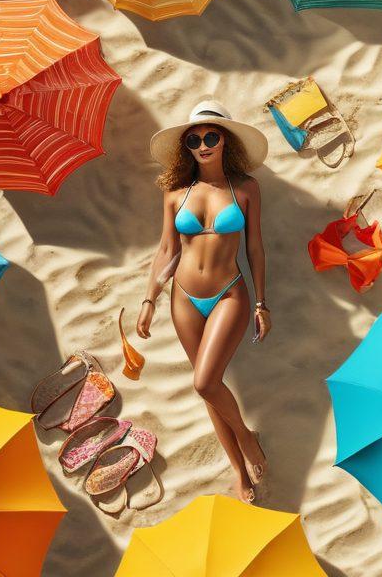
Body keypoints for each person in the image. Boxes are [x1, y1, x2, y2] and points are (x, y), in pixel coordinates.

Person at [137, 100, 271, 503]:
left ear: (225, 140)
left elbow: (255, 249)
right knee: (208, 388)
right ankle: (239, 471)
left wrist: (261, 303)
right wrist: (149, 299)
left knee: (205, 381)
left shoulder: (245, 188)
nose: (203, 145)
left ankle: (246, 439)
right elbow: (166, 250)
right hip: (182, 297)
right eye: (193, 140)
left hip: (229, 291)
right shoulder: (176, 193)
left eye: (211, 136)